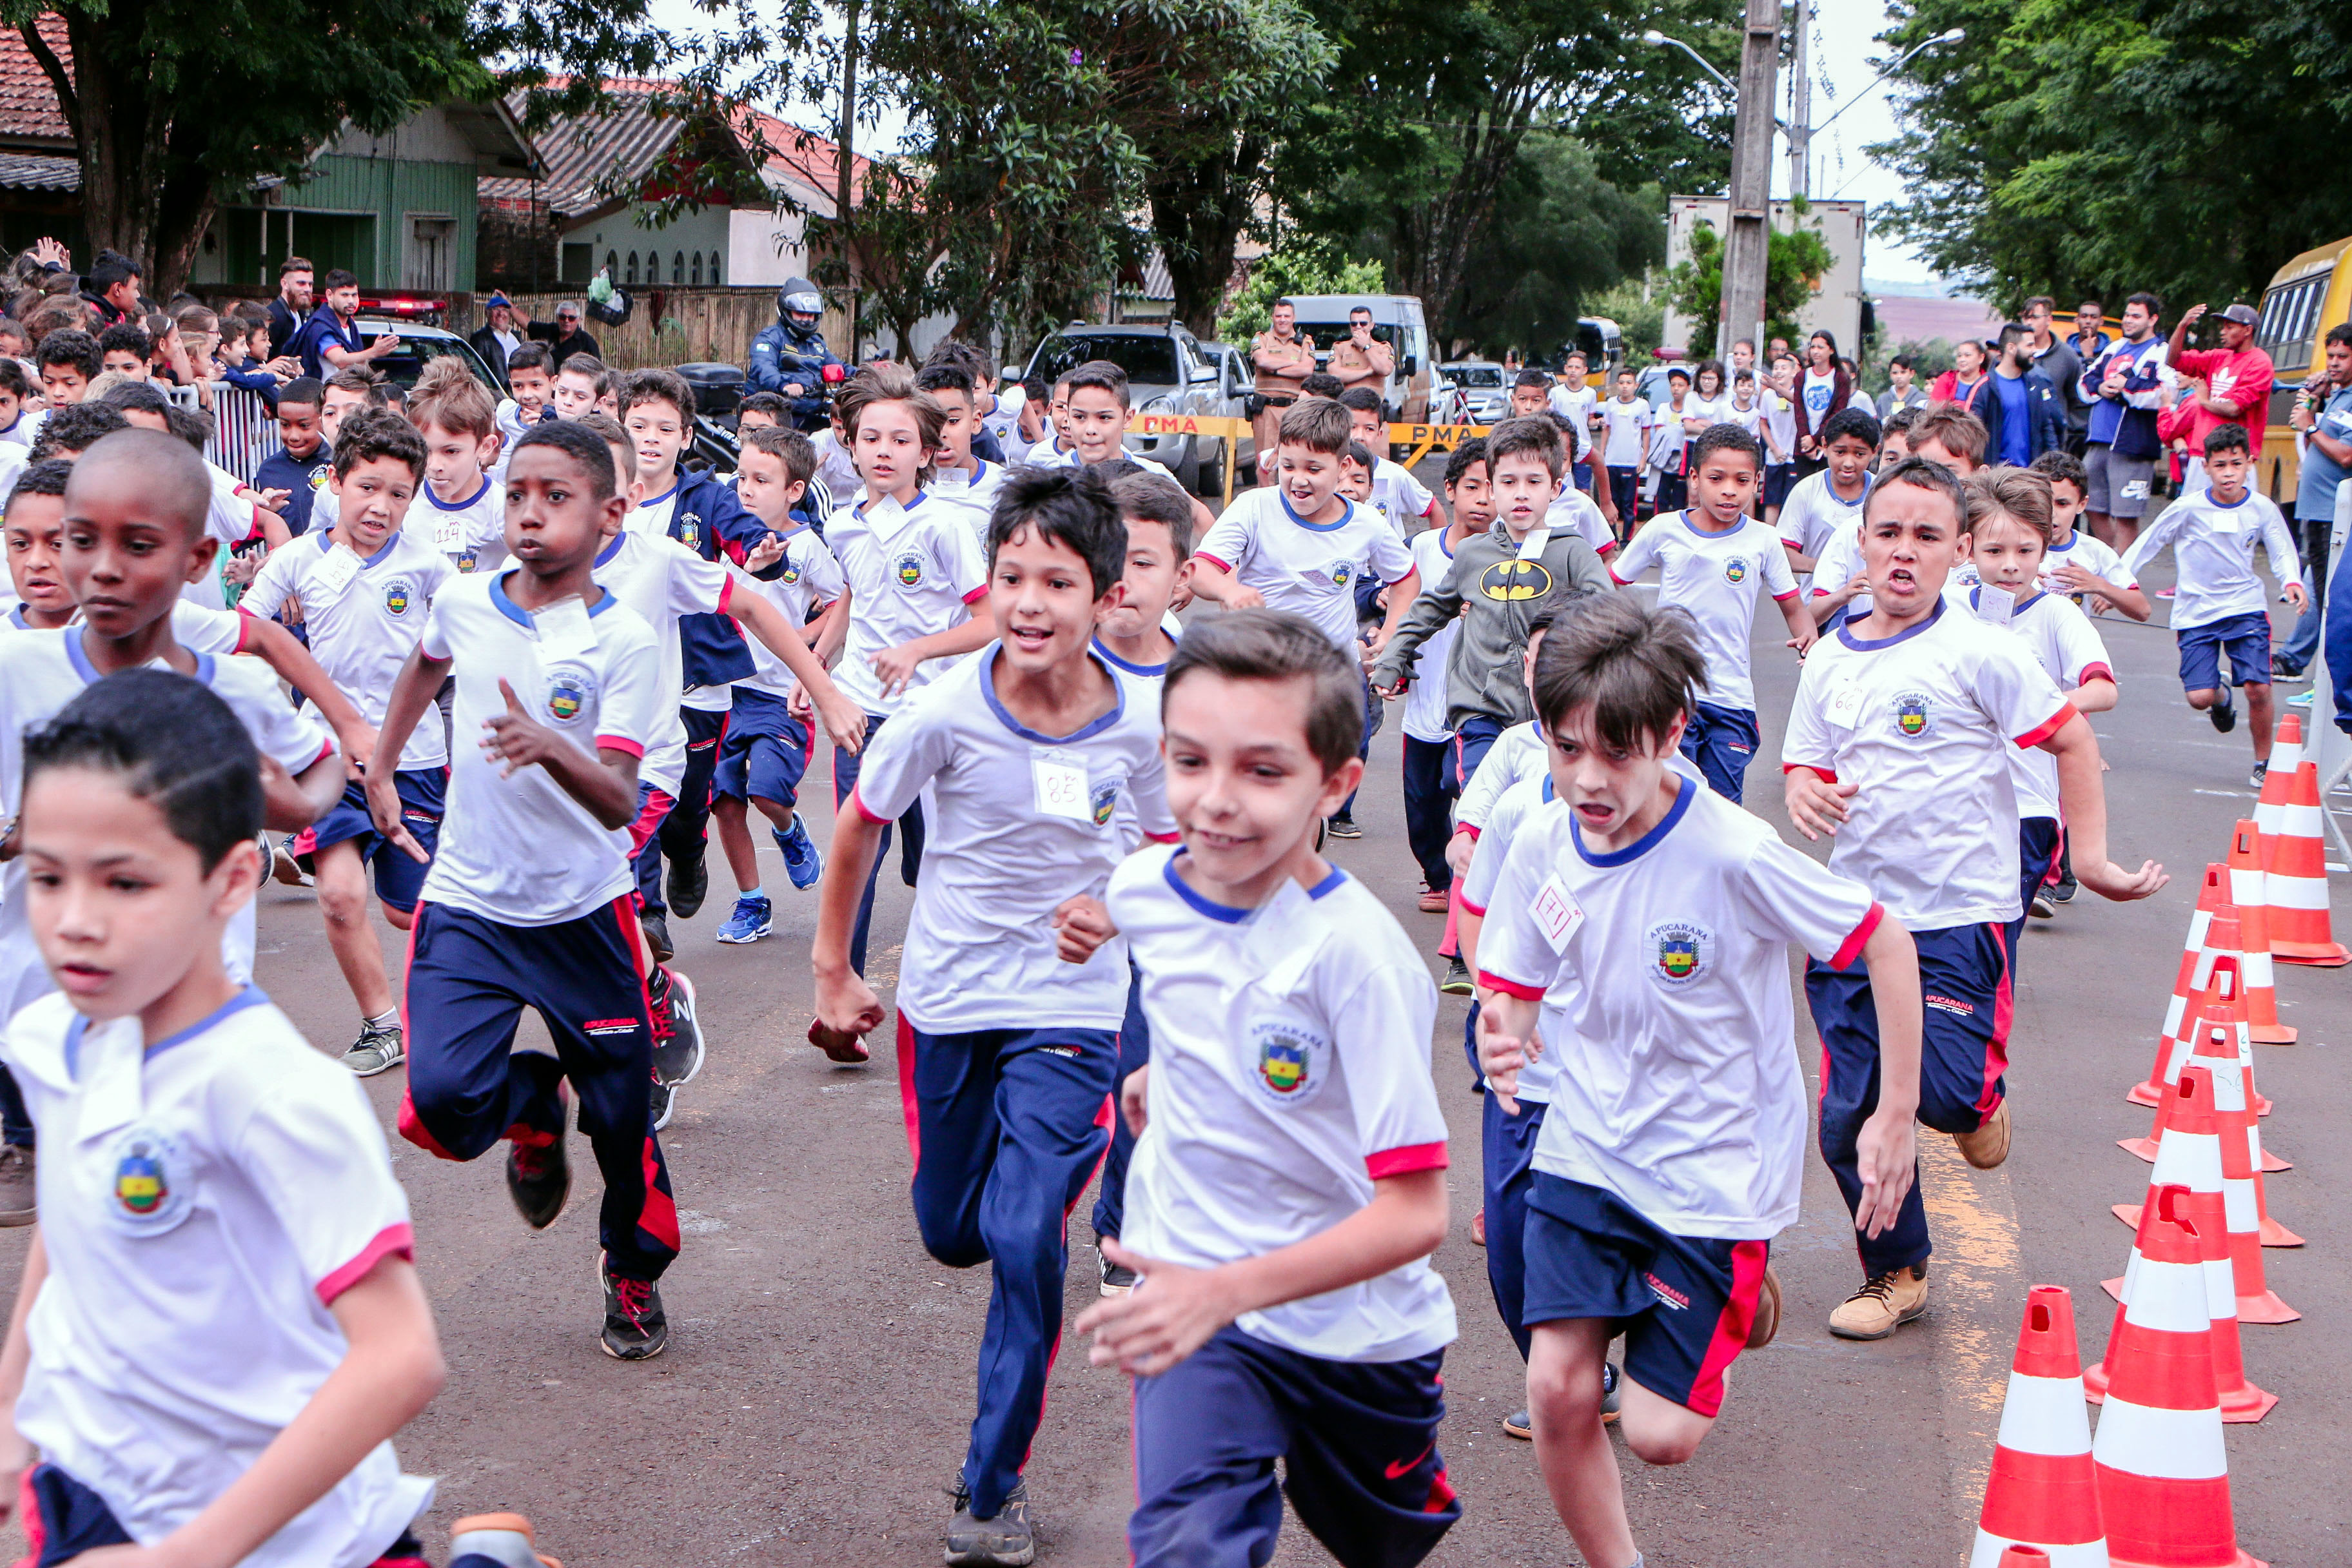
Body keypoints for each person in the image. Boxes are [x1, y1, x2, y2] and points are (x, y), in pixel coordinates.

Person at [1475, 595, 1919, 1568]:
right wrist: (1501, 1038)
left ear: (1674, 734)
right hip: (1588, 1142)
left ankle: (1719, 1299)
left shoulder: (1732, 852)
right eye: (1565, 748)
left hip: (1714, 1166)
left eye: (1617, 753)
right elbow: (1508, 985)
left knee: (1660, 1437)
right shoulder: (1543, 837)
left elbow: (1883, 939)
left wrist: (1894, 1115)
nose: (1587, 780)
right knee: (1555, 1387)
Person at [0, 669, 453, 1568]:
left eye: (126, 884)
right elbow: (72, 1211)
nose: (75, 922)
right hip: (102, 1499)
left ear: (234, 877)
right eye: (49, 879)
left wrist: (186, 1557)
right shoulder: (52, 1034)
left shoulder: (273, 1091)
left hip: (297, 1543)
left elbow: (400, 1356)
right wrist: (12, 1416)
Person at [810, 466, 1173, 1567]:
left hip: (1068, 1010)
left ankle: (991, 1482)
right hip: (948, 1002)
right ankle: (997, 1219)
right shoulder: (941, 711)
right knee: (951, 1230)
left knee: (1024, 1239)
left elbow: (1174, 847)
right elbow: (860, 826)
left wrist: (1109, 904)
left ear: (1104, 595)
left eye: (1055, 581)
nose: (1028, 601)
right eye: (1011, 576)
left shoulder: (1143, 725)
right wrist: (832, 968)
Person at [1065, 609, 1458, 1568]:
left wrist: (1232, 1291)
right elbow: (1138, 921)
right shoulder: (1153, 885)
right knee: (1189, 1549)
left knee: (1384, 1546)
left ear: (1338, 781)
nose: (1217, 802)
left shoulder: (1360, 960)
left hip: (1358, 1337)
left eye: (1264, 771)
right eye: (1191, 762)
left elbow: (1415, 1212)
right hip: (1194, 1290)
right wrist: (1169, 1060)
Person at [1784, 456, 2164, 1339]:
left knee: (1946, 1101)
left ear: (1959, 550)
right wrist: (1804, 787)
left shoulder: (1982, 651)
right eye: (1888, 534)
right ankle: (1894, 1271)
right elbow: (1807, 758)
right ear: (1862, 545)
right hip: (1856, 920)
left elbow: (2070, 739)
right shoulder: (1830, 658)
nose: (1904, 553)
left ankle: (1981, 1104)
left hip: (1961, 913)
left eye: (1926, 536)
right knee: (1849, 1116)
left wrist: (2095, 858)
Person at [368, 421, 683, 1360]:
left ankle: (631, 1271)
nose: (531, 514)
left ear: (609, 514)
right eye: (518, 496)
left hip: (584, 914)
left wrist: (552, 746)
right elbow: (427, 661)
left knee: (624, 1124)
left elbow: (618, 799)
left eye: (557, 497)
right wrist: (382, 766)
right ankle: (532, 1108)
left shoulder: (623, 640)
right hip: (470, 904)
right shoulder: (464, 600)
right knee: (439, 1102)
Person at [237, 408, 449, 1081]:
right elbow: (243, 629)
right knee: (338, 893)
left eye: (398, 494)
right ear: (335, 482)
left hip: (414, 759)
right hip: (327, 757)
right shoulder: (299, 559)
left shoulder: (428, 566)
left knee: (406, 909)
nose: (381, 506)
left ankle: (454, 1007)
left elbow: (467, 647)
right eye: (367, 487)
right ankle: (382, 1024)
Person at [821, 365, 995, 982]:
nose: (884, 452)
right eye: (871, 438)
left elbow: (990, 620)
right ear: (850, 443)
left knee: (936, 865)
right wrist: (815, 666)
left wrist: (919, 651)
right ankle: (845, 992)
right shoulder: (842, 523)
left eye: (900, 440)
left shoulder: (945, 524)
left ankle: (955, 982)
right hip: (862, 712)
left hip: (937, 714)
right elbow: (854, 597)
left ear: (926, 451)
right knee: (857, 853)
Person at [1189, 397, 1419, 840]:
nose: (1298, 480)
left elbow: (1407, 580)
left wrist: (1390, 634)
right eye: (1288, 466)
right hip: (1257, 671)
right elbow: (1201, 570)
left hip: (1328, 676)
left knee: (1307, 794)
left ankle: (1298, 866)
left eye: (1314, 469)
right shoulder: (1254, 508)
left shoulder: (1367, 525)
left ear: (1342, 465)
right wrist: (1230, 589)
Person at [1374, 415, 1615, 808]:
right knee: (1481, 808)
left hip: (1551, 714)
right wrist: (1393, 655)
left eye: (1534, 482)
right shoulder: (1473, 553)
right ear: (1492, 486)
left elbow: (1608, 616)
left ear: (1555, 488)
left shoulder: (1573, 553)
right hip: (1480, 709)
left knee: (1541, 812)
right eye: (1508, 482)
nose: (1521, 494)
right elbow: (1429, 610)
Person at [1084, 469, 1193, 1291]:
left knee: (1139, 1074)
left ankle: (1120, 1230)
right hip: (1051, 918)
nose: (1125, 578)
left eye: (1146, 562)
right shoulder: (1044, 660)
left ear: (1183, 577)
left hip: (1162, 917)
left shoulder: (1207, 677)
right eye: (1112, 557)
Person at [1607, 424, 1814, 802]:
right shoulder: (1663, 529)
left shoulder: (1764, 540)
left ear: (1757, 482)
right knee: (1667, 801)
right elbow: (1610, 583)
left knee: (1722, 806)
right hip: (1670, 693)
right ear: (1694, 479)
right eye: (1716, 478)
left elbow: (1794, 608)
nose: (1729, 490)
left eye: (1742, 479)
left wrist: (1811, 647)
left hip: (1732, 698)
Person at [1960, 467, 2121, 921]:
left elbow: (2103, 690)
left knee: (1996, 931)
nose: (2010, 563)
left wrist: (2041, 709)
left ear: (2044, 550)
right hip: (1956, 799)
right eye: (1994, 550)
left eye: (2025, 550)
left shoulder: (2057, 615)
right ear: (1967, 549)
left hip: (2028, 805)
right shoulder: (1950, 607)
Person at [710, 424, 845, 945]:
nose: (745, 488)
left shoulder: (807, 547)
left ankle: (790, 831)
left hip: (779, 695)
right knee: (723, 800)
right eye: (742, 476)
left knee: (766, 792)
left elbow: (838, 605)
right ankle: (751, 902)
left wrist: (806, 648)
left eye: (761, 480)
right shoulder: (721, 540)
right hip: (724, 691)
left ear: (794, 490)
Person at [2121, 424, 2306, 786]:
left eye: (2236, 464)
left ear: (2249, 463)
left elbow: (2283, 549)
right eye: (2220, 465)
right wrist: (2120, 580)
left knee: (2258, 687)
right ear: (2205, 466)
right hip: (2196, 612)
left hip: (2245, 608)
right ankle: (2221, 695)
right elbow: (2150, 540)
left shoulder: (2262, 508)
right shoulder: (2188, 507)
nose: (2228, 474)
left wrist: (2292, 581)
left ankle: (2263, 761)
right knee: (2199, 697)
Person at [1400, 440, 1489, 916]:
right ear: (1450, 490)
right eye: (1472, 487)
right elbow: (1400, 606)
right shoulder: (1420, 548)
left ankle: (1472, 878)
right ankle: (1437, 875)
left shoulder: (1508, 556)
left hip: (1477, 708)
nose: (1482, 499)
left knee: (1472, 796)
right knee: (1423, 807)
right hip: (1423, 702)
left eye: (1492, 489)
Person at [2278, 322, 2352, 678]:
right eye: (2331, 355)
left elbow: (2346, 455)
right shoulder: (2336, 395)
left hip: (2335, 517)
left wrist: (2310, 425)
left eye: (2343, 356)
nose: (2334, 363)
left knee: (2332, 601)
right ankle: (2302, 664)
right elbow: (2311, 445)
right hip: (2315, 512)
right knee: (2318, 594)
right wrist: (2314, 401)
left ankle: (2328, 680)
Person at [2078, 291, 2169, 549]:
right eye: (2127, 315)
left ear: (2152, 320)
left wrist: (2125, 386)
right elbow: (2086, 381)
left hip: (2133, 444)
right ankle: (2111, 561)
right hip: (2098, 441)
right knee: (2089, 505)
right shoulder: (2115, 347)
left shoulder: (2161, 353)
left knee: (2126, 516)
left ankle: (2122, 577)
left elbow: (2160, 393)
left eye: (2136, 316)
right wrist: (2103, 387)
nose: (2128, 321)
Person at [407, 360, 507, 576]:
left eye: (451, 452)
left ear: (485, 446)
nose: (435, 466)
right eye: (425, 449)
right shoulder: (405, 499)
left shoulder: (501, 509)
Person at [2029, 449, 2148, 622]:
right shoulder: (2011, 547)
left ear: (2081, 504)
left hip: (2069, 647)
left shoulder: (2094, 551)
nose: (2051, 513)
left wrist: (2099, 585)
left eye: (2062, 504)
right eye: (2043, 502)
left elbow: (2143, 610)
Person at [2165, 302, 2275, 481]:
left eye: (2230, 327)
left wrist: (2204, 401)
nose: (2223, 332)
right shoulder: (2219, 356)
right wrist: (2182, 326)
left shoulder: (2260, 362)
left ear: (2248, 330)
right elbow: (2173, 360)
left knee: (2233, 509)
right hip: (2202, 454)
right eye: (2223, 327)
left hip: (2235, 459)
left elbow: (2234, 408)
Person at [1777, 406, 1881, 585]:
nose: (1848, 463)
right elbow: (1783, 551)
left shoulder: (1882, 493)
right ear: (1825, 445)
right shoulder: (1806, 491)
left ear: (1875, 451)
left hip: (1869, 603)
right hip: (1818, 601)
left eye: (1859, 454)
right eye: (1840, 452)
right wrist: (1826, 567)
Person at [914, 360, 1006, 546]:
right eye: (930, 422)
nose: (941, 433)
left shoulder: (1004, 487)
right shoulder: (904, 489)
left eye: (953, 420)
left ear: (975, 421)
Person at [745, 277, 841, 431]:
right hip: (773, 415)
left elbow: (837, 365)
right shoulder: (769, 338)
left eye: (810, 315)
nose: (806, 320)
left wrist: (864, 372)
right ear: (786, 311)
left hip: (810, 413)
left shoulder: (816, 344)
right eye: (800, 314)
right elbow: (764, 368)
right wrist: (785, 385)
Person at [248, 377, 335, 532]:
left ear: (323, 421)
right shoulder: (270, 468)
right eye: (285, 425)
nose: (293, 436)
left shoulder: (339, 462)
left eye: (304, 426)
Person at [1250, 298, 1318, 485]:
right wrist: (1294, 364)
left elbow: (1307, 369)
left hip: (1295, 410)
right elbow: (1262, 361)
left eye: (1286, 316)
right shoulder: (1262, 339)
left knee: (1297, 461)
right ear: (1273, 317)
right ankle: (1267, 507)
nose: (1282, 320)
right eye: (1278, 316)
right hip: (1267, 410)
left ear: (1293, 318)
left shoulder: (1305, 341)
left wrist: (1276, 369)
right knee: (1266, 463)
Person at [1982, 322, 2067, 468]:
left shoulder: (2035, 384)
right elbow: (1972, 435)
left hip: (2031, 475)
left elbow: (2047, 427)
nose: (2035, 350)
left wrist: (2054, 465)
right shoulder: (1984, 387)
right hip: (1996, 477)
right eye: (2029, 345)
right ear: (2011, 348)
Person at [289, 270, 398, 382]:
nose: (351, 301)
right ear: (330, 295)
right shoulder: (321, 327)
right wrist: (373, 352)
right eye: (345, 295)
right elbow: (340, 360)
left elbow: (358, 363)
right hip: (326, 396)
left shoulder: (351, 326)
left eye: (354, 295)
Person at [2022, 297, 2084, 450]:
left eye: (2035, 317)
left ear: (2049, 319)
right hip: (2021, 437)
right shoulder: (2015, 354)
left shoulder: (2067, 355)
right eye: (2026, 318)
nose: (2029, 323)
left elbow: (2078, 399)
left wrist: (2067, 432)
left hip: (2054, 443)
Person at [1598, 368, 1652, 531]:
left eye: (1629, 383)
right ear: (1617, 385)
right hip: (1612, 461)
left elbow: (1646, 433)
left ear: (1636, 385)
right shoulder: (1611, 404)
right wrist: (1602, 453)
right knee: (1612, 501)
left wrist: (1643, 459)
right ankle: (1612, 536)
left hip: (1631, 462)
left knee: (1630, 503)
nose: (1625, 386)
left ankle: (1627, 539)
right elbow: (1606, 429)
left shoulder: (1642, 405)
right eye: (1621, 383)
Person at [1793, 329, 1852, 475]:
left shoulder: (1840, 377)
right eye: (1813, 347)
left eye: (1820, 347)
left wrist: (1816, 439)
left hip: (1828, 442)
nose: (1815, 351)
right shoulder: (1802, 376)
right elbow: (1799, 409)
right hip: (1804, 444)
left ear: (1831, 350)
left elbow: (1838, 412)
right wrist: (1807, 439)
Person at [1647, 366, 1693, 515]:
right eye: (1673, 385)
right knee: (1662, 502)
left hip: (1683, 464)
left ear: (1688, 387)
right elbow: (1661, 434)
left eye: (1680, 385)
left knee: (1680, 502)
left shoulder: (1691, 410)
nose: (1676, 389)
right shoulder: (1663, 408)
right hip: (1664, 464)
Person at [495, 345, 555, 452]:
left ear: (553, 383)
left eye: (536, 385)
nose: (527, 395)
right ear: (511, 384)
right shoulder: (506, 413)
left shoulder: (566, 421)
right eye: (518, 386)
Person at [1326, 304, 1394, 397]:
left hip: (1373, 403)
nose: (1358, 327)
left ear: (1372, 325)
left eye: (1363, 323)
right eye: (1354, 324)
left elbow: (1385, 369)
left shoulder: (1383, 348)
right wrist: (1367, 372)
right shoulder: (1340, 347)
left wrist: (1366, 347)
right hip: (1347, 402)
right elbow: (1334, 375)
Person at [525, 301, 600, 370]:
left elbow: (598, 370)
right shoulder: (549, 330)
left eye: (571, 318)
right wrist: (512, 307)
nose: (566, 321)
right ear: (557, 318)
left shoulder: (587, 342)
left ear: (579, 320)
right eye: (563, 317)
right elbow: (528, 325)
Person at [470, 290, 525, 384]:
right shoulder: (480, 339)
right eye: (496, 309)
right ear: (487, 313)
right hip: (500, 393)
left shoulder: (517, 337)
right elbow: (476, 371)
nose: (501, 314)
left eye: (504, 310)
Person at [1879, 355, 1928, 420]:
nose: (1899, 376)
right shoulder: (1883, 400)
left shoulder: (1922, 399)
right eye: (1895, 373)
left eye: (1903, 372)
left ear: (1912, 374)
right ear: (1890, 375)